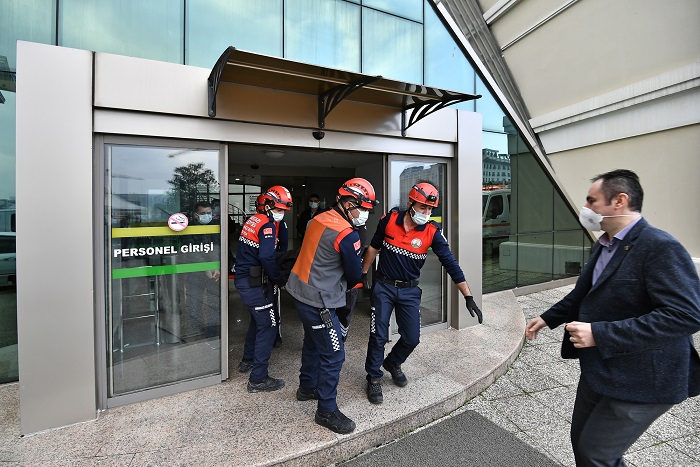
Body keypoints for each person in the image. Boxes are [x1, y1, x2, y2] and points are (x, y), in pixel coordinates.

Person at [525, 169, 700, 466]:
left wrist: (600, 334)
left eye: (591, 201)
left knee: (597, 455)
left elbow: (685, 315)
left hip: (646, 376)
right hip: (602, 368)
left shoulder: (659, 246)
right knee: (582, 444)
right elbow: (585, 292)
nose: (586, 208)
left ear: (619, 201)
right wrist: (547, 318)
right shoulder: (604, 243)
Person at [362, 182, 482, 405]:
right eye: (423, 207)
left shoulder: (433, 232)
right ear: (410, 204)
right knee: (378, 335)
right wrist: (362, 276)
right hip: (384, 288)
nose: (426, 213)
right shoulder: (389, 220)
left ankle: (392, 362)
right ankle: (374, 377)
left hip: (409, 291)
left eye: (430, 209)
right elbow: (373, 248)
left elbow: (451, 264)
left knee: (412, 338)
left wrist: (468, 296)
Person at [285, 178, 378, 434]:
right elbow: (354, 275)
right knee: (334, 354)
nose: (365, 214)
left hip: (300, 291)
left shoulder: (318, 219)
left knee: (313, 342)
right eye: (363, 208)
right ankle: (326, 411)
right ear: (348, 204)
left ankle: (307, 387)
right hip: (320, 301)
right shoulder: (347, 234)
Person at [234, 186, 292, 393]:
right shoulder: (267, 225)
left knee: (258, 322)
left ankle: (248, 359)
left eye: (284, 210)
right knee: (268, 326)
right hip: (255, 283)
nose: (281, 213)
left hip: (246, 280)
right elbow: (267, 257)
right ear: (267, 205)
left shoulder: (253, 219)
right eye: (279, 209)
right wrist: (279, 279)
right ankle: (258, 379)